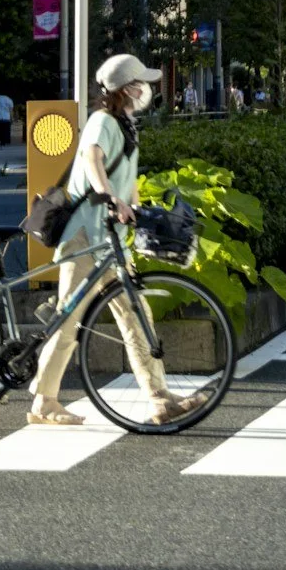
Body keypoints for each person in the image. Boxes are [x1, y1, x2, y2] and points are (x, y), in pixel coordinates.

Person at [29, 54, 186, 428]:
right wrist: (108, 196)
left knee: (135, 315)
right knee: (68, 321)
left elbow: (125, 178)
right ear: (126, 89)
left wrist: (134, 206)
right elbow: (93, 157)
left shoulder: (126, 125)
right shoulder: (102, 121)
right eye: (140, 83)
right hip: (85, 236)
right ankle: (43, 401)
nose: (146, 89)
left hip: (110, 239)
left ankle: (159, 399)